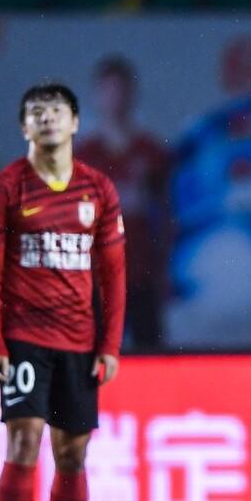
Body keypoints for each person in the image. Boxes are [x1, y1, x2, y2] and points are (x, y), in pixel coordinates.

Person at [0, 83, 126, 501]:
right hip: (23, 337)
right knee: (24, 439)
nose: (47, 119)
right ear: (24, 127)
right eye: (36, 112)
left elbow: (113, 274)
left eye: (57, 110)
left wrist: (109, 344)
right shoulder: (2, 191)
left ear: (76, 122)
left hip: (79, 340)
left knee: (73, 452)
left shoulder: (97, 190)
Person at [76, 55, 172, 350]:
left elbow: (166, 215)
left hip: (141, 272)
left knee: (149, 354)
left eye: (120, 89)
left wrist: (164, 269)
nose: (114, 98)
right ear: (97, 95)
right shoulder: (84, 156)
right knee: (93, 355)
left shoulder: (150, 152)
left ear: (131, 93)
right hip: (97, 275)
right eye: (108, 90)